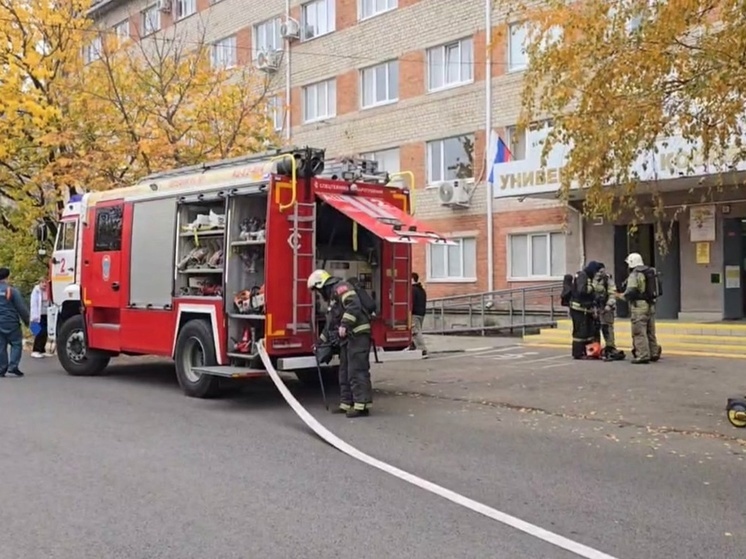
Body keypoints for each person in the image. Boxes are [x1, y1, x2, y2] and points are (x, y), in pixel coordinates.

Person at [308, 269, 372, 418]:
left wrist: (344, 324)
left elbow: (353, 304)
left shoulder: (342, 288)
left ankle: (361, 406)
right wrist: (319, 343)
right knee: (344, 371)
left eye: (317, 290)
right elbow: (330, 324)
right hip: (348, 338)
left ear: (321, 285)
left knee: (357, 371)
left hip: (358, 335)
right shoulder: (333, 298)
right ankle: (346, 404)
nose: (318, 294)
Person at [622, 252, 661, 364]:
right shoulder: (650, 271)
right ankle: (654, 353)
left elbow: (631, 290)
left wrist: (623, 296)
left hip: (639, 306)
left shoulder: (635, 274)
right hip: (650, 305)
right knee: (650, 331)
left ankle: (643, 355)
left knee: (639, 331)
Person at [569, 261, 604, 359]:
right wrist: (593, 287)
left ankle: (586, 351)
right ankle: (578, 353)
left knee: (587, 331)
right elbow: (582, 291)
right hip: (578, 309)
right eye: (596, 271)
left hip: (585, 309)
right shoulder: (583, 276)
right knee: (580, 332)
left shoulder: (587, 276)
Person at [0, 267, 30, 377]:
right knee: (16, 344)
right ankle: (13, 366)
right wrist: (27, 321)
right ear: (7, 277)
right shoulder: (11, 290)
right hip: (11, 322)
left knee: (1, 346)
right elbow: (21, 308)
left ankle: (2, 368)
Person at [592, 263, 625, 361]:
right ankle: (596, 348)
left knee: (607, 329)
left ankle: (610, 348)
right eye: (599, 271)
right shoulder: (592, 279)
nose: (601, 273)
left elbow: (612, 293)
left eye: (603, 271)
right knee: (595, 328)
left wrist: (608, 305)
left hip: (606, 308)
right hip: (596, 308)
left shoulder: (607, 280)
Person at [30, 277, 50, 358]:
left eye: (45, 282)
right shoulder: (36, 291)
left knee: (45, 332)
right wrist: (34, 317)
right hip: (38, 315)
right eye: (42, 282)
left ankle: (42, 350)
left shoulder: (48, 291)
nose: (44, 284)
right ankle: (36, 350)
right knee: (40, 332)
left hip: (47, 314)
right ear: (39, 283)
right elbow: (34, 304)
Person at [410, 272, 428, 356]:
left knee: (416, 331)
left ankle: (422, 349)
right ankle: (413, 346)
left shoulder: (413, 289)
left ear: (412, 279)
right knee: (416, 330)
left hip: (415, 313)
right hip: (421, 313)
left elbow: (411, 302)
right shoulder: (421, 289)